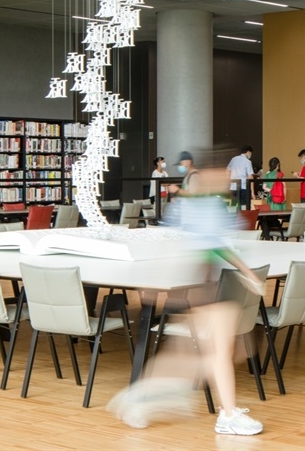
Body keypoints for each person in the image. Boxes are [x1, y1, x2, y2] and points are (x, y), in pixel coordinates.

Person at [108, 156, 264, 436]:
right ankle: (227, 414)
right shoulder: (195, 206)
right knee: (218, 352)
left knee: (216, 352)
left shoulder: (212, 204)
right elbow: (176, 243)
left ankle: (139, 398)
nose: (226, 177)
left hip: (207, 283)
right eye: (220, 173)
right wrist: (155, 282)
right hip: (199, 285)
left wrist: (247, 272)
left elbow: (218, 246)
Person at [226, 145, 254, 209]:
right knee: (243, 206)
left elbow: (227, 171)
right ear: (248, 152)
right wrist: (252, 192)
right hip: (243, 187)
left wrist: (229, 182)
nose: (251, 155)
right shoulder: (247, 162)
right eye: (251, 153)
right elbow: (250, 177)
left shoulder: (233, 159)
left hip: (233, 187)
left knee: (234, 206)